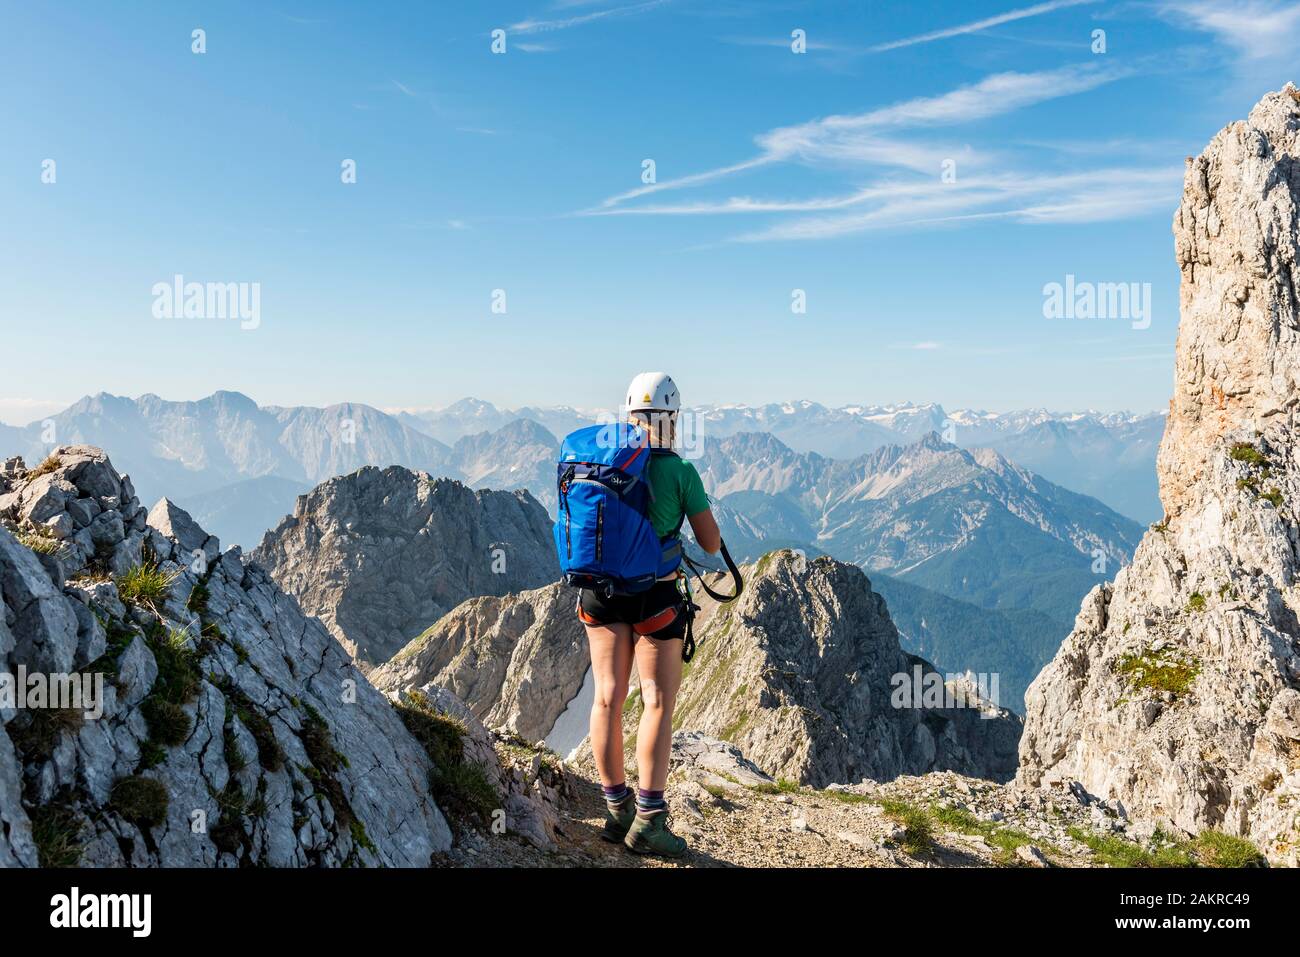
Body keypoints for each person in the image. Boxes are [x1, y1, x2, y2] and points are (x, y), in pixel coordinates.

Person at [577, 372, 721, 857]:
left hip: (600, 593)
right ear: (671, 419)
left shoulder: (604, 463)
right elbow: (710, 543)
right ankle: (649, 821)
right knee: (656, 702)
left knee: (607, 699)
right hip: (656, 599)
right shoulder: (680, 472)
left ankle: (615, 812)